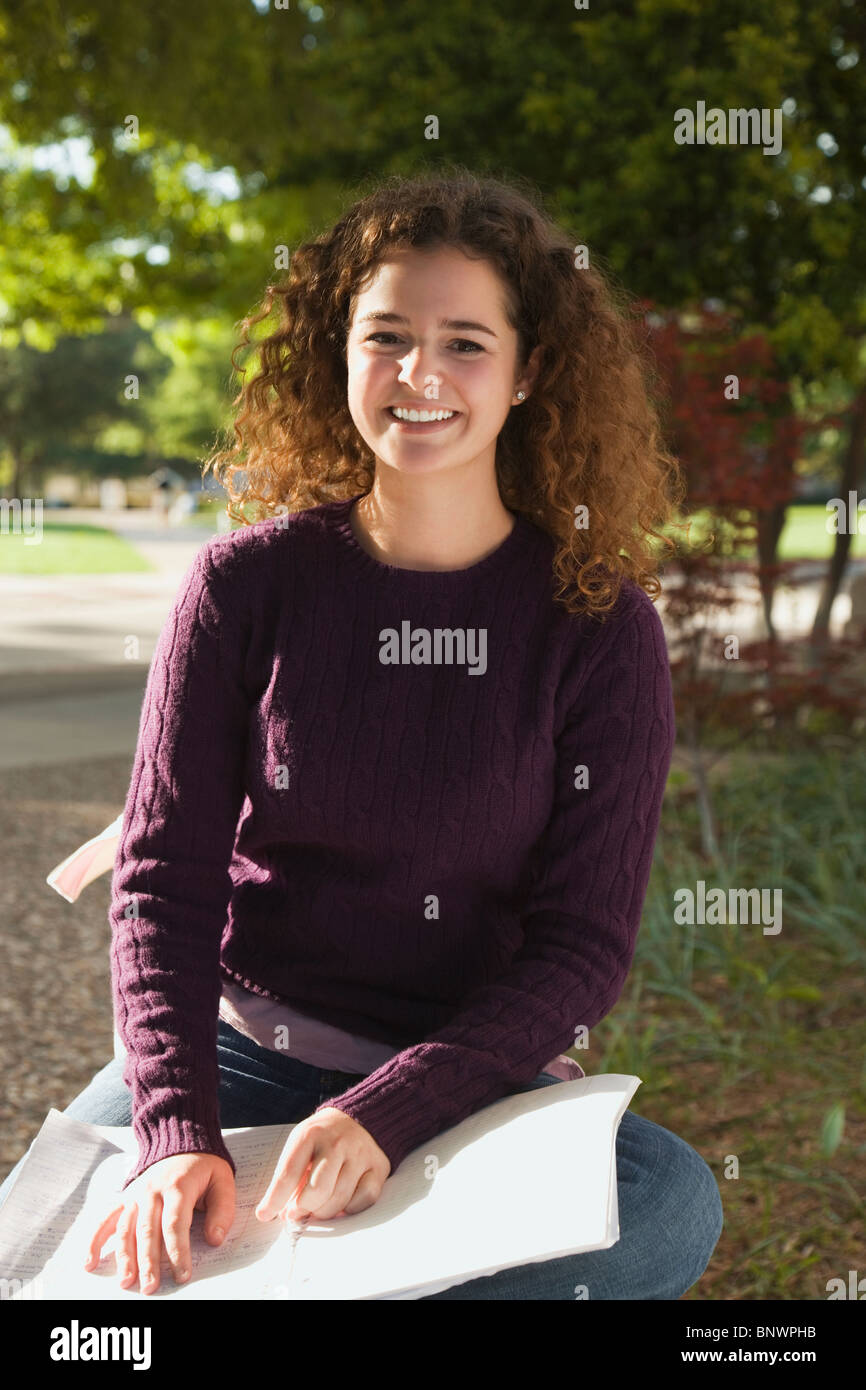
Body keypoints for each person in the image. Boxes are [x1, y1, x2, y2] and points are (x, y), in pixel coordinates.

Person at [0, 167, 723, 1299]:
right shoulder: (242, 588)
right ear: (338, 352)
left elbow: (580, 949)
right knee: (48, 1256)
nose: (419, 374)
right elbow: (161, 882)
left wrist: (389, 1112)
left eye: (465, 343)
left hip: (472, 1082)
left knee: (669, 1208)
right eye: (385, 335)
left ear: (530, 371)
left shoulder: (597, 624)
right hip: (250, 1049)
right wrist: (177, 1129)